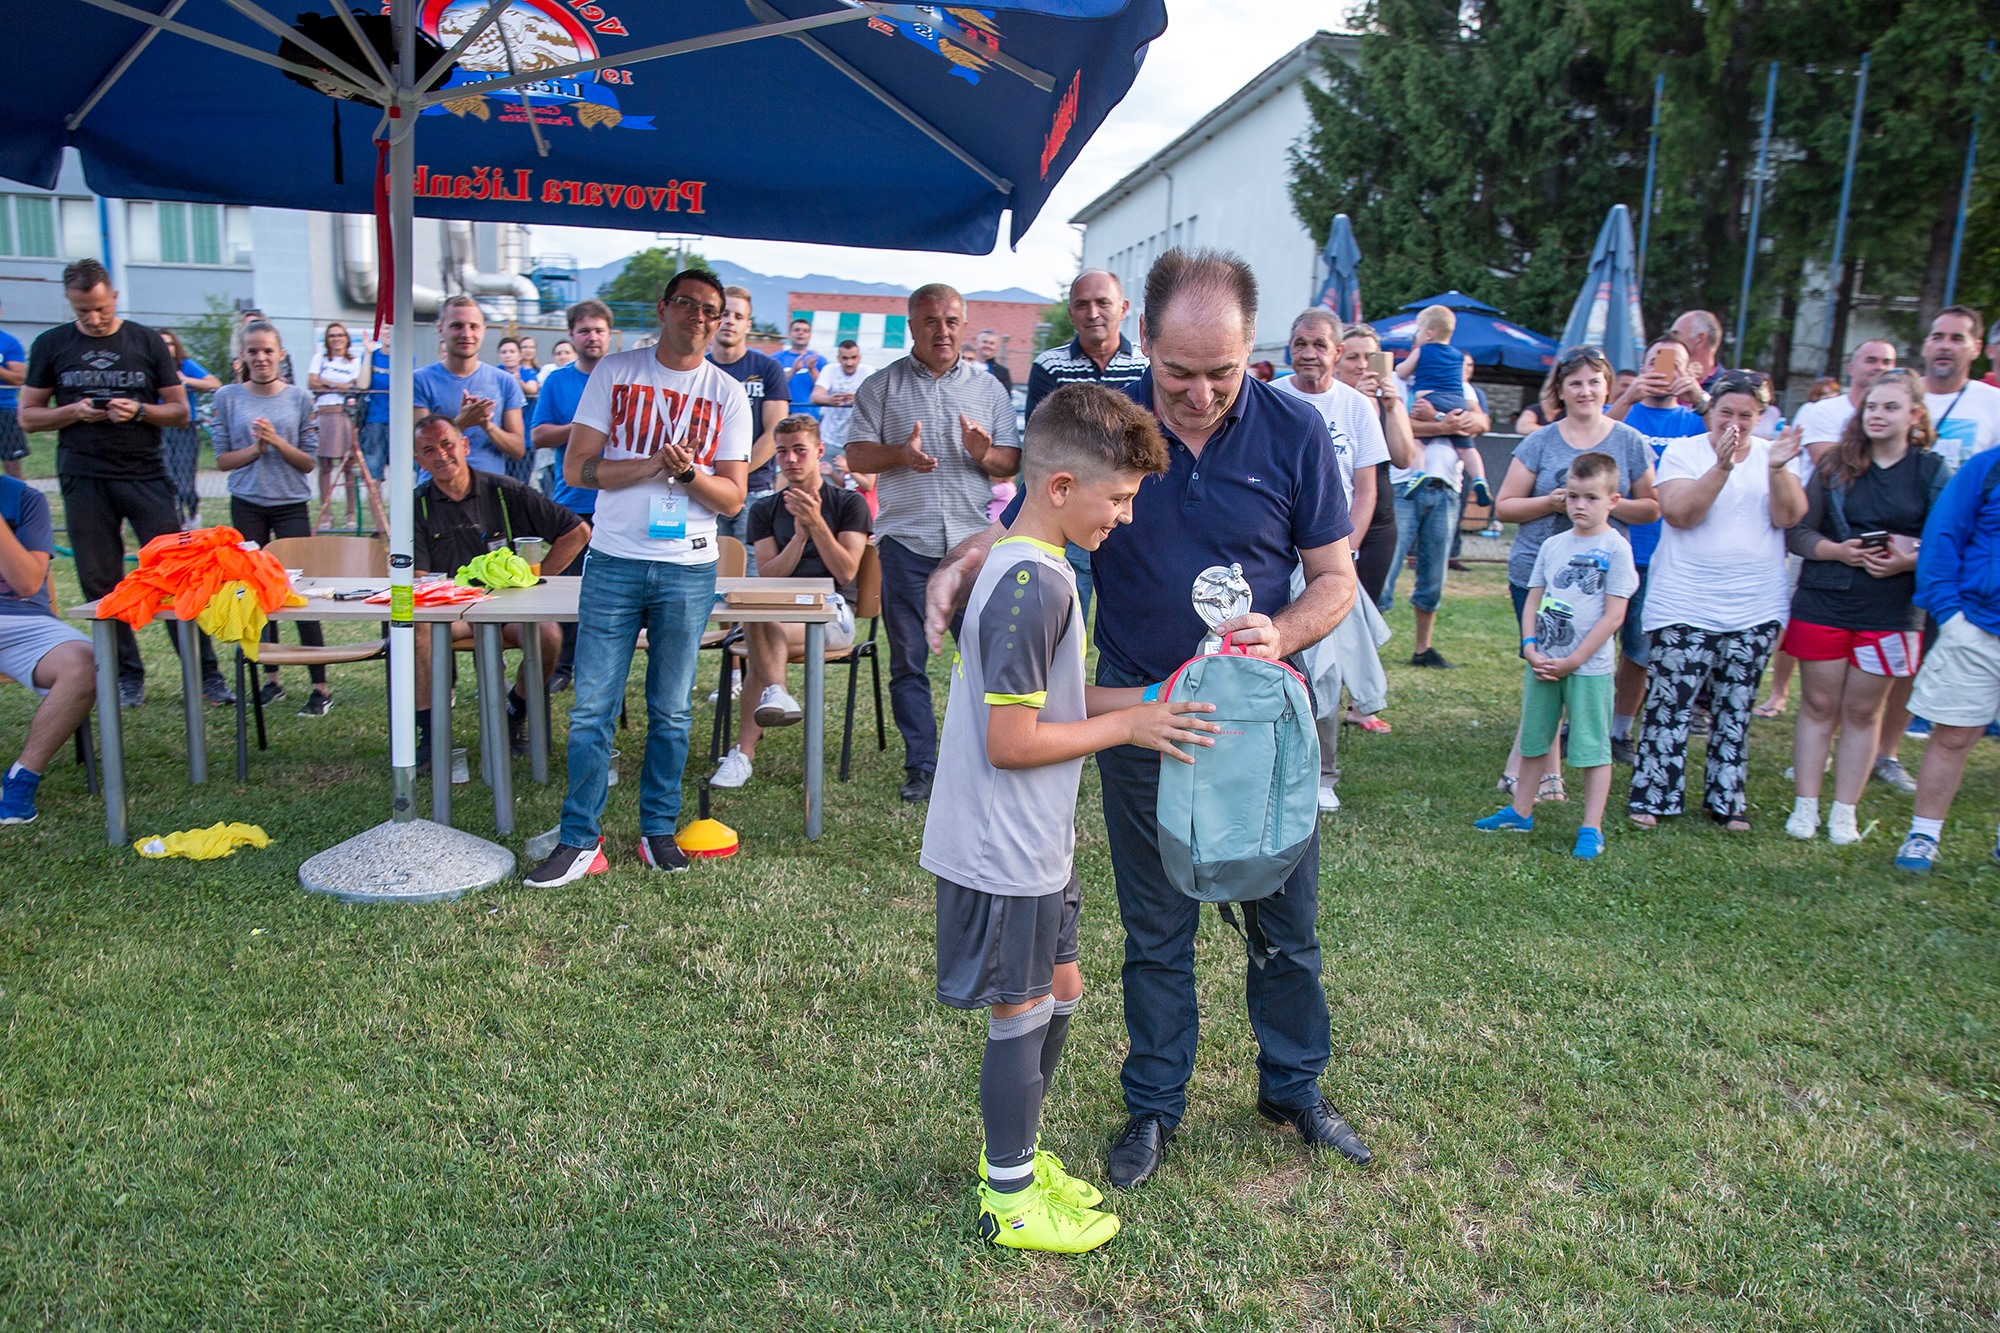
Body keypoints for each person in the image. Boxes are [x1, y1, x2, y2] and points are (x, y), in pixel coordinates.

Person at [925, 247, 1368, 1191]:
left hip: (1257, 720)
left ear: (1253, 348)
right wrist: (963, 561)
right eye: (1178, 374)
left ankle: (1293, 1088)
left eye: (1222, 373)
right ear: (1144, 345)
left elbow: (1336, 577)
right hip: (1138, 704)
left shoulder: (1296, 430)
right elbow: (1034, 512)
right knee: (1156, 928)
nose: (1200, 395)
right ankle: (1155, 1104)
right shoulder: (1110, 428)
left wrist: (1283, 632)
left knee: (1285, 924)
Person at [923, 382, 1198, 1252]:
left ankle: (1019, 1150)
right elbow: (1011, 741)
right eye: (1118, 498)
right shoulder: (1028, 585)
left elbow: (1060, 699)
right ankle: (1007, 1197)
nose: (1125, 516)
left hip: (1040, 840)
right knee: (1023, 1006)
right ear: (1061, 487)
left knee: (1062, 990)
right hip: (1001, 847)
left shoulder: (1041, 568)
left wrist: (1156, 696)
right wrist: (1129, 727)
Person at [525, 268, 751, 887]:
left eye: (710, 310)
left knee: (671, 711)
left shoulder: (728, 393)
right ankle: (579, 839)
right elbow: (578, 468)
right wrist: (652, 464)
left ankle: (657, 829)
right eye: (687, 304)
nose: (698, 317)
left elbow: (733, 497)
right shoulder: (615, 371)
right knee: (591, 709)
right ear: (662, 308)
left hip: (689, 568)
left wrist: (687, 474)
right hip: (614, 560)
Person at [18, 259, 228, 709]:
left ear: (114, 297)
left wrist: (139, 410)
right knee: (101, 581)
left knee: (176, 573)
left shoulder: (146, 341)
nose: (94, 318)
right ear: (70, 302)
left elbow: (180, 412)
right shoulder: (51, 344)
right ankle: (126, 675)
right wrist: (72, 412)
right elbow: (28, 416)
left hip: (145, 473)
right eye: (82, 311)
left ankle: (206, 674)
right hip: (84, 475)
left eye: (101, 308)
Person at [842, 283, 1020, 804]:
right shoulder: (880, 386)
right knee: (908, 661)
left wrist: (984, 454)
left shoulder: (989, 389)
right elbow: (856, 456)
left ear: (963, 325)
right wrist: (899, 455)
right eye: (930, 321)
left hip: (972, 547)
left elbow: (1011, 461)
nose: (942, 331)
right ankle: (922, 764)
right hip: (907, 542)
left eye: (951, 321)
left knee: (987, 658)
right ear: (912, 326)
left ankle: (990, 756)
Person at [1627, 375, 1806, 830]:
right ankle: (1654, 796)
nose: (1735, 423)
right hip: (1685, 601)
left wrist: (1778, 469)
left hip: (1754, 605)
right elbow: (1680, 515)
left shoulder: (1774, 456)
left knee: (1735, 707)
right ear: (1710, 412)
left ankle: (1726, 801)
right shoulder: (1685, 452)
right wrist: (1722, 467)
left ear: (1760, 417)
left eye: (1746, 415)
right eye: (1726, 412)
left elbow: (1789, 517)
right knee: (1669, 704)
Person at [1782, 370, 1943, 845]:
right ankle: (1805, 806)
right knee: (1818, 704)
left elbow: (1946, 538)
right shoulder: (1836, 464)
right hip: (1824, 601)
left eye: (1890, 407)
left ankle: (1844, 812)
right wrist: (1838, 551)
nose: (1877, 415)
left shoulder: (1931, 470)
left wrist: (1906, 560)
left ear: (1914, 415)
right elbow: (1798, 531)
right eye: (1871, 406)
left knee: (1863, 710)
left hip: (1892, 611)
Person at [1493, 346, 1660, 798]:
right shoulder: (1540, 441)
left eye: (1594, 382)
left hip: (1600, 580)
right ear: (1561, 391)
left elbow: (1652, 507)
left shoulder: (1629, 441)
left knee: (1587, 667)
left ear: (1608, 387)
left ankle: (1545, 762)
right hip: (1539, 570)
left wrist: (1606, 505)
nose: (1585, 391)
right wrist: (1552, 502)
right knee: (1545, 666)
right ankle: (1546, 773)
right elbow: (1505, 506)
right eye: (1576, 383)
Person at [1475, 451, 1637, 858]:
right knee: (1534, 739)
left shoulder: (1617, 549)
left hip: (1588, 669)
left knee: (1593, 748)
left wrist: (1575, 660)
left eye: (1592, 498)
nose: (1580, 506)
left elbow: (1614, 616)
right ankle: (1520, 812)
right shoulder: (1552, 545)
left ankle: (1591, 827)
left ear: (1613, 501)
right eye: (1573, 496)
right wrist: (1530, 646)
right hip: (1544, 664)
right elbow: (1533, 599)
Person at [407, 414, 588, 761]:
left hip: (509, 609)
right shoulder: (417, 504)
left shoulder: (505, 491)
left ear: (465, 445)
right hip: (452, 612)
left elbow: (576, 532)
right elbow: (420, 577)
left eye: (447, 444)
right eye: (429, 450)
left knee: (549, 636)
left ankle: (515, 712)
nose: (441, 455)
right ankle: (431, 737)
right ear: (419, 461)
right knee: (418, 629)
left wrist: (537, 580)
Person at [711, 415, 872, 789]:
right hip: (780, 609)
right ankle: (777, 695)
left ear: (819, 451)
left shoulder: (849, 503)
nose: (791, 459)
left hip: (832, 612)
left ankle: (744, 751)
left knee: (761, 638)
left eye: (800, 450)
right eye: (782, 452)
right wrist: (798, 539)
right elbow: (770, 575)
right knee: (761, 623)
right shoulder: (765, 509)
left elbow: (846, 571)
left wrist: (815, 524)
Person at [1274, 308, 1395, 798]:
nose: (1308, 353)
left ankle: (1323, 774)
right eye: (1300, 343)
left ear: (1338, 352)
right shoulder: (1270, 395)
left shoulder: (1357, 407)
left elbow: (1366, 490)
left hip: (1332, 554)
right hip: (1275, 554)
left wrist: (1343, 555)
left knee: (1328, 666)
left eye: (1319, 344)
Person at [1756, 337, 1898, 723]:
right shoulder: (1823, 411)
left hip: (1881, 577)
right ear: (1852, 367)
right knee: (1796, 623)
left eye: (1887, 361)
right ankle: (1780, 690)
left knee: (1863, 705)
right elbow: (1837, 472)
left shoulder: (1923, 465)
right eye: (1871, 359)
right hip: (1821, 535)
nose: (1879, 367)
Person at [211, 321, 333, 715]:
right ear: (242, 357)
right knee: (255, 592)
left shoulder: (300, 398)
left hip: (291, 504)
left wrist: (277, 441)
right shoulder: (227, 397)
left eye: (267, 351)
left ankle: (320, 686)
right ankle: (271, 678)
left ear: (281, 354)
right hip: (247, 503)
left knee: (300, 592)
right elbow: (222, 460)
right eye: (253, 351)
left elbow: (308, 462)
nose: (261, 358)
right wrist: (255, 449)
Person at [1891, 433, 2000, 872]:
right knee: (1953, 735)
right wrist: (1952, 617)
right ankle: (1924, 834)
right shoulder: (1987, 467)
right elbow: (1942, 538)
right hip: (1975, 628)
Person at [1025, 269, 1151, 620]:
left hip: (1131, 512)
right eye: (1082, 304)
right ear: (1071, 312)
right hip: (1072, 511)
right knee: (1066, 604)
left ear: (1123, 308)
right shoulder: (1049, 366)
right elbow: (1041, 444)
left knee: (1132, 609)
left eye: (1102, 303)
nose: (1093, 313)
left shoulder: (1146, 364)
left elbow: (1151, 441)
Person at [1610, 337, 1706, 761]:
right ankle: (1575, 724)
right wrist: (1627, 396)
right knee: (1589, 644)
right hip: (1611, 547)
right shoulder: (1624, 412)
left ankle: (1619, 731)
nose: (1663, 371)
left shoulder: (1694, 420)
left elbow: (1735, 439)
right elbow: (1586, 440)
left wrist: (1699, 397)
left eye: (1674, 363)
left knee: (1640, 651)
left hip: (1664, 555)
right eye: (1655, 362)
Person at [0, 470, 96, 825]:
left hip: (21, 620)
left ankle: (22, 777)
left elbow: (27, 583)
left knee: (85, 662)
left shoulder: (23, 499)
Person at [1379, 366, 1492, 667]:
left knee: (1434, 573)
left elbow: (1481, 422)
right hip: (1404, 485)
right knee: (1386, 571)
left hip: (1447, 488)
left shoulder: (1458, 384)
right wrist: (1445, 424)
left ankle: (1423, 648)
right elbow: (1395, 428)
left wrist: (1443, 419)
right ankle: (1368, 649)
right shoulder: (1397, 381)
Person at [529, 299, 613, 692]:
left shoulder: (626, 377)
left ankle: (602, 669)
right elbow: (538, 435)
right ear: (571, 335)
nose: (592, 337)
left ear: (610, 335)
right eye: (584, 331)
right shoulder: (557, 381)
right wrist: (584, 426)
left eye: (598, 330)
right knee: (568, 591)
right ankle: (562, 667)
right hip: (574, 501)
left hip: (619, 502)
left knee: (611, 594)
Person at [1332, 324, 1418, 611]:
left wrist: (1391, 407)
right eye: (1353, 357)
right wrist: (1359, 400)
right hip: (1338, 518)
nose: (1362, 365)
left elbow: (1403, 458)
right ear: (1337, 359)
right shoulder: (1337, 402)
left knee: (1369, 609)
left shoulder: (1390, 401)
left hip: (1379, 521)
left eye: (1370, 357)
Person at [706, 286, 790, 575]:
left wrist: (734, 477)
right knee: (703, 570)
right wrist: (710, 482)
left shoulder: (767, 369)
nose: (730, 321)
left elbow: (775, 432)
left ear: (748, 325)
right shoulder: (697, 369)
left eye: (738, 316)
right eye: (725, 314)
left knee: (754, 575)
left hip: (754, 490)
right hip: (704, 489)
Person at [413, 295, 526, 479]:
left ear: (483, 330)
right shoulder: (420, 381)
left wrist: (487, 425)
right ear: (441, 329)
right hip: (437, 489)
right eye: (457, 326)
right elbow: (418, 447)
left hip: (489, 488)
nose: (466, 334)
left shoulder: (505, 381)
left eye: (473, 326)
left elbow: (518, 449)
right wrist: (462, 422)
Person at [1394, 305, 1491, 505]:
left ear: (1428, 334)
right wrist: (1447, 421)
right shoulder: (1458, 356)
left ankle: (1418, 472)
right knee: (1467, 448)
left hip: (1430, 398)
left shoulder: (1422, 351)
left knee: (1417, 443)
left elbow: (1402, 372)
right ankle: (1480, 479)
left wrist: (1436, 417)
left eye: (1419, 331)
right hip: (1457, 402)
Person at [1919, 306, 2000, 470]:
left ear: (1976, 349)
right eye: (1937, 337)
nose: (1945, 346)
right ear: (1925, 346)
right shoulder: (1897, 396)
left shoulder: (1994, 402)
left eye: (1957, 339)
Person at [306, 322, 368, 532]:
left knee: (349, 466)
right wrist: (339, 385)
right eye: (332, 335)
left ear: (346, 338)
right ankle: (326, 513)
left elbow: (355, 386)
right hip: (324, 413)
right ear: (327, 339)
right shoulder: (320, 358)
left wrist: (327, 383)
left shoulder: (354, 361)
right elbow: (312, 382)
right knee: (325, 466)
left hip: (345, 414)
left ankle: (350, 513)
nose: (336, 339)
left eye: (340, 335)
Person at [157, 328, 219, 527]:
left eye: (170, 344)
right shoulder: (151, 366)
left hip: (184, 427)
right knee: (166, 479)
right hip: (158, 428)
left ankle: (193, 515)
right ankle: (178, 522)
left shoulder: (185, 365)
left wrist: (184, 380)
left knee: (185, 483)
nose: (166, 348)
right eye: (162, 344)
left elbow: (214, 383)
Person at [809, 338, 871, 457]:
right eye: (845, 358)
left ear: (859, 358)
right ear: (838, 358)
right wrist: (829, 400)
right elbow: (815, 396)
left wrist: (859, 399)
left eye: (853, 358)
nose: (849, 363)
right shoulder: (829, 369)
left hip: (857, 440)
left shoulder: (867, 370)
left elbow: (878, 399)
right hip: (829, 438)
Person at [358, 328, 392, 480]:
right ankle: (375, 497)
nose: (389, 332)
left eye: (392, 328)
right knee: (373, 471)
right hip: (375, 420)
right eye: (386, 328)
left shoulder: (407, 356)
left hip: (398, 421)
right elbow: (363, 385)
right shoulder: (372, 355)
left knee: (403, 469)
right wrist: (368, 353)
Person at [0, 299, 27, 481]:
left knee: (13, 471)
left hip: (5, 411)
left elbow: (19, 378)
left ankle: (19, 499)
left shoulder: (9, 343)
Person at [774, 317, 823, 418]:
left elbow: (824, 388)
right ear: (789, 334)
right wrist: (793, 370)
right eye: (797, 330)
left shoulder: (820, 360)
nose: (801, 333)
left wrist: (812, 369)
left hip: (811, 415)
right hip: (782, 413)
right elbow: (773, 385)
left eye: (805, 331)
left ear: (809, 335)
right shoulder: (776, 359)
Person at [499, 335, 539, 403]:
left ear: (520, 355)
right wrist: (510, 379)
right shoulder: (496, 371)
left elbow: (533, 389)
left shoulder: (528, 372)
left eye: (512, 352)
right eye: (504, 352)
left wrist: (518, 381)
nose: (508, 355)